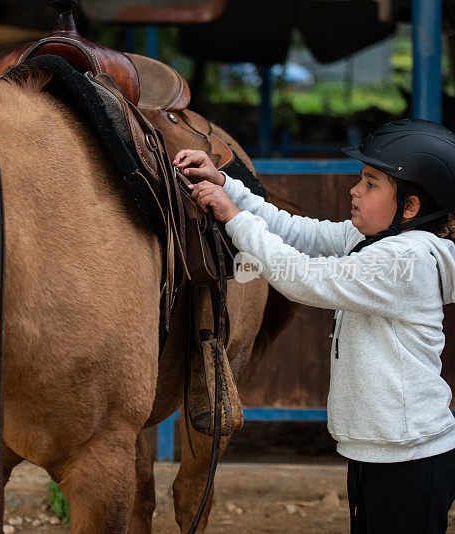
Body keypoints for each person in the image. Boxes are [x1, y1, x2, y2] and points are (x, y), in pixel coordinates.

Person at [174, 118, 455, 533]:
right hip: (383, 451)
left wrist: (232, 215)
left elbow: (304, 278)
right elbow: (294, 231)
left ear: (410, 208)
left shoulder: (403, 261)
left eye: (372, 183)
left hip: (409, 458)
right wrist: (226, 184)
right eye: (360, 179)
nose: (354, 190)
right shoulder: (373, 242)